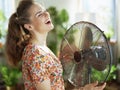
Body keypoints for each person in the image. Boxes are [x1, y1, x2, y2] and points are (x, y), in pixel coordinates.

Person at [5, 0, 106, 90]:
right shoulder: (35, 54)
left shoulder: (43, 49)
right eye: (39, 14)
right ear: (29, 26)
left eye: (45, 10)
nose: (46, 14)